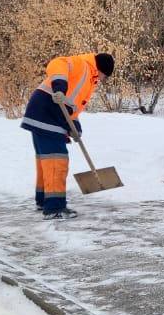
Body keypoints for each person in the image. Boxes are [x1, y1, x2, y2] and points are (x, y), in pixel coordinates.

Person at [20, 52, 114, 219]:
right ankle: (55, 208)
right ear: (101, 70)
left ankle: (44, 200)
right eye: (104, 76)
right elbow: (57, 63)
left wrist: (75, 128)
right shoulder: (83, 65)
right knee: (57, 161)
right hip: (47, 114)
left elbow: (72, 107)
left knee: (47, 161)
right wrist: (59, 87)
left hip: (47, 115)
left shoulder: (89, 80)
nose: (102, 79)